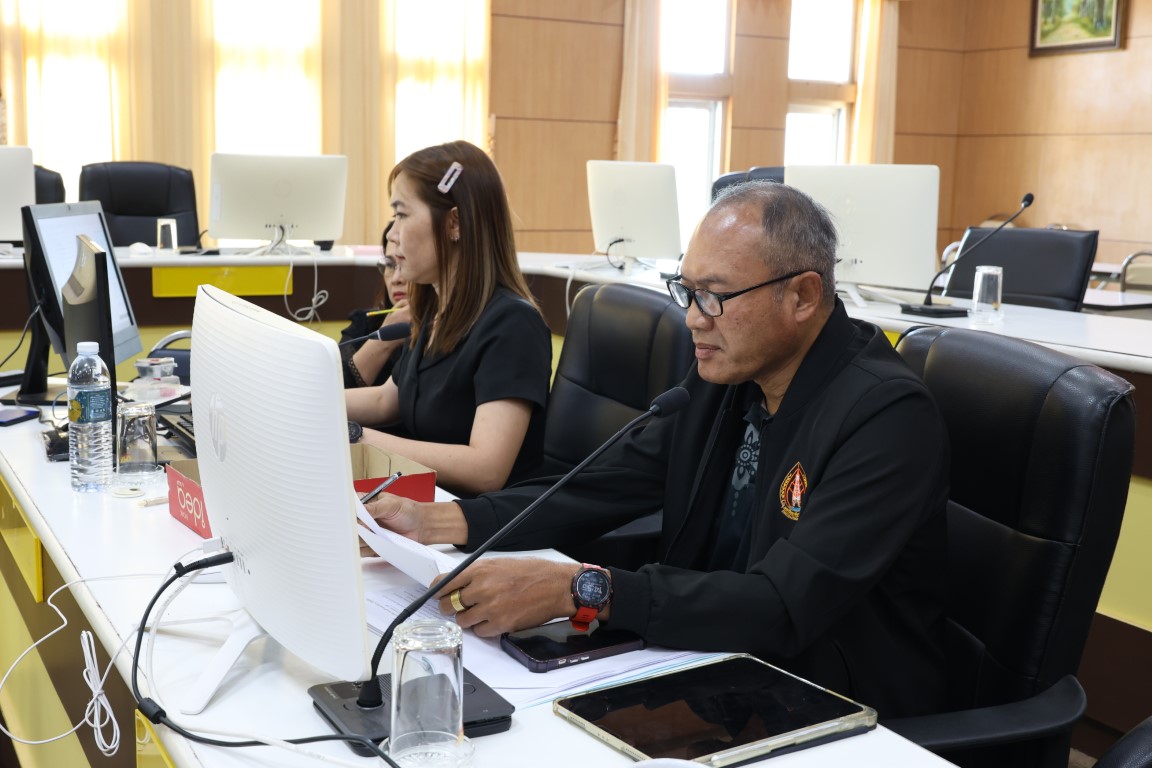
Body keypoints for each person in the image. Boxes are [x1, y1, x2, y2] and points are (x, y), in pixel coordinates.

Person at [366, 180, 951, 718]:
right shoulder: (728, 375)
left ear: (801, 296)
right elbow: (600, 483)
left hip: (834, 703)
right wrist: (443, 520)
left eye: (714, 295)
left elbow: (782, 604)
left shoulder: (886, 416)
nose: (693, 319)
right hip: (708, 663)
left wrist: (581, 588)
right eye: (687, 292)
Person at [346, 140, 552, 498]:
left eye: (401, 215)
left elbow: (485, 470)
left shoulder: (513, 325)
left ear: (454, 223)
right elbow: (386, 400)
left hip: (481, 521)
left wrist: (358, 437)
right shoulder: (436, 312)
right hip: (426, 504)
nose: (392, 234)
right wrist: (303, 399)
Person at [340, 221, 411, 388]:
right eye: (390, 265)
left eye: (404, 263)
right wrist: (384, 338)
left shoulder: (444, 331)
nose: (396, 279)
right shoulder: (365, 323)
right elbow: (333, 384)